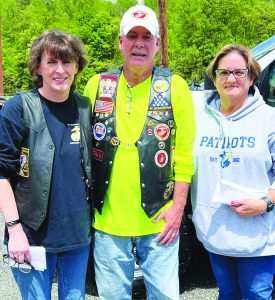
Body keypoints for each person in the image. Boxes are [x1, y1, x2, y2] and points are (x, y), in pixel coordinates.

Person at [84, 4, 195, 300]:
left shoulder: (176, 87)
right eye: (132, 35)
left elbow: (184, 156)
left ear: (157, 45)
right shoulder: (97, 85)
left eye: (147, 37)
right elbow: (82, 149)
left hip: (160, 221)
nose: (139, 43)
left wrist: (177, 211)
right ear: (120, 42)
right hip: (107, 221)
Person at [0, 29, 92, 300]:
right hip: (31, 236)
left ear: (77, 66)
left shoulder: (85, 108)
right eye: (51, 62)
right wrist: (14, 229)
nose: (60, 70)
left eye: (67, 61)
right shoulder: (18, 108)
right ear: (38, 66)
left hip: (77, 236)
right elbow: (2, 174)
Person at [191, 44, 275, 300]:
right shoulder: (197, 118)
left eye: (239, 72)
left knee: (256, 294)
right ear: (214, 77)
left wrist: (265, 203)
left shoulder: (269, 119)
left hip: (258, 236)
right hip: (214, 232)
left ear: (252, 77)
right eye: (223, 72)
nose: (231, 79)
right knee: (227, 293)